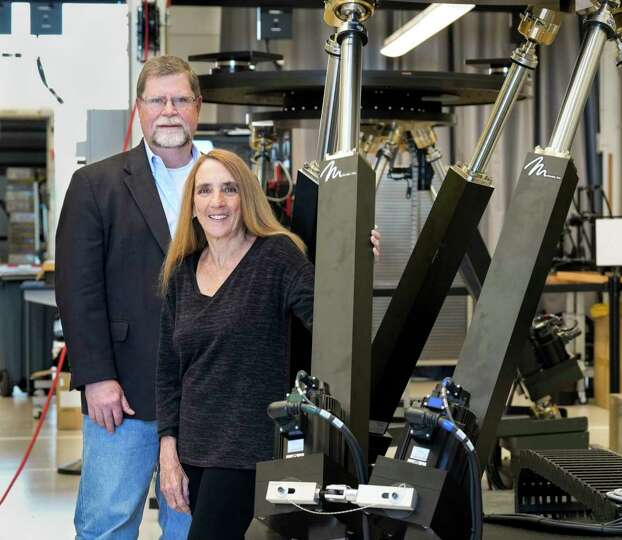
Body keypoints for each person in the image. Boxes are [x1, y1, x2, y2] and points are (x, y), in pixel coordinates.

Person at [155, 149, 381, 538]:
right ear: (193, 205)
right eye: (205, 191)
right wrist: (168, 447)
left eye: (229, 189)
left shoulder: (276, 257)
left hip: (250, 448)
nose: (218, 202)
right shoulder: (182, 272)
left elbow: (331, 321)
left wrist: (357, 265)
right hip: (195, 449)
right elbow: (168, 371)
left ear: (247, 198)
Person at [56, 55, 203, 539]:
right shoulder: (96, 185)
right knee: (109, 522)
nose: (168, 110)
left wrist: (350, 244)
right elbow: (78, 289)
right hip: (126, 392)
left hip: (208, 392)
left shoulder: (225, 183)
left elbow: (275, 252)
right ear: (138, 109)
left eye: (180, 99)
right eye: (157, 100)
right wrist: (96, 377)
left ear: (197, 108)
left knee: (193, 525)